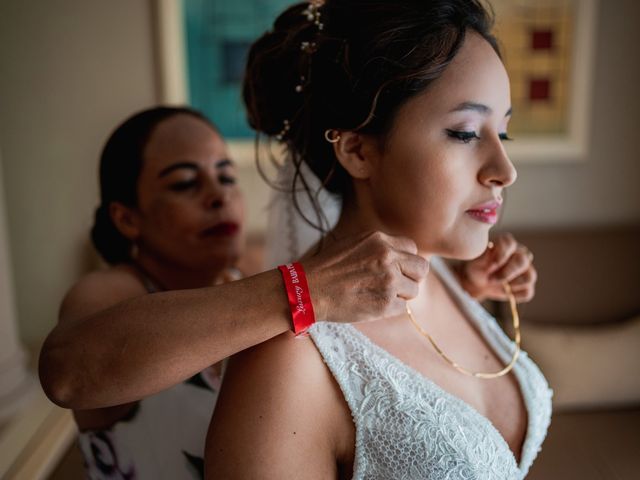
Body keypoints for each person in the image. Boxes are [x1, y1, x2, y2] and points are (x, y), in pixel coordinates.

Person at [205, 1, 551, 479]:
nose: (504, 171)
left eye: (504, 134)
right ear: (357, 150)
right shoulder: (286, 360)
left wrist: (470, 289)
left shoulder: (442, 277)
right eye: (465, 133)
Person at [39, 106, 431, 479]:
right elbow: (67, 374)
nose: (218, 195)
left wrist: (454, 288)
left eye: (226, 177)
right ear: (126, 218)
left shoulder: (254, 274)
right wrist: (303, 290)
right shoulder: (112, 289)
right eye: (185, 183)